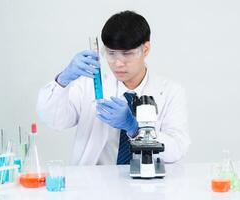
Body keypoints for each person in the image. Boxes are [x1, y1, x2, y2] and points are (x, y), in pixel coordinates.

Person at [37, 10, 190, 165]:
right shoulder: (89, 86)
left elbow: (177, 149)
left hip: (147, 185)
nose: (118, 63)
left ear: (145, 49)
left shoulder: (171, 92)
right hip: (94, 184)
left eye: (127, 54)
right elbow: (55, 121)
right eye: (111, 53)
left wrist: (135, 128)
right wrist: (63, 79)